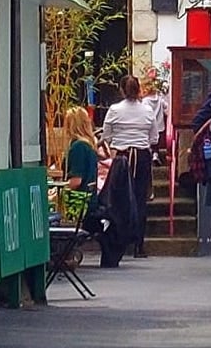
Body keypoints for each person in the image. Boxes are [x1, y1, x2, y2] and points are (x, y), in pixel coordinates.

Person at [100, 75, 161, 260]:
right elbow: (154, 138)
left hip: (121, 157)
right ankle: (139, 244)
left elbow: (106, 135)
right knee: (140, 198)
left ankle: (121, 240)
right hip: (142, 156)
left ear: (121, 90)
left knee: (119, 199)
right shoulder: (148, 110)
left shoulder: (114, 110)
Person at [61, 105, 100, 230]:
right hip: (89, 201)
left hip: (77, 204)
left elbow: (76, 181)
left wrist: (57, 190)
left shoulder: (78, 147)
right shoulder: (90, 146)